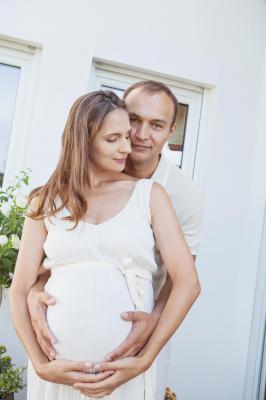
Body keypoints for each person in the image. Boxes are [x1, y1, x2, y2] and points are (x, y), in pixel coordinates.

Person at [9, 90, 200, 400]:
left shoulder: (152, 195)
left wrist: (143, 360)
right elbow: (20, 289)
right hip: (58, 372)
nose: (129, 146)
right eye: (114, 139)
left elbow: (188, 282)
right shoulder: (45, 201)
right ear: (84, 141)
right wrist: (40, 363)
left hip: (125, 367)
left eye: (126, 136)